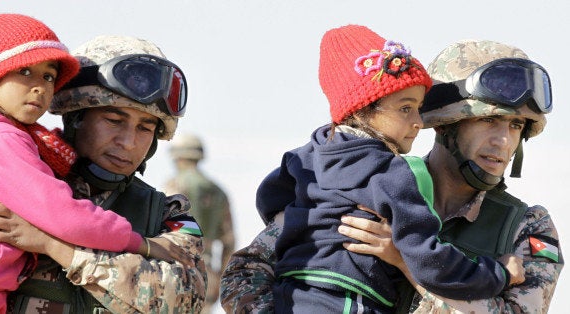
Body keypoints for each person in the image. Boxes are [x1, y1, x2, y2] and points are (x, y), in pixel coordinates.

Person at [220, 39, 563, 313]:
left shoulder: (526, 227)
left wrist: (406, 262)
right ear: (445, 122)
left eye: (516, 126)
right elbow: (244, 273)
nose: (504, 141)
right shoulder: (364, 181)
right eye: (489, 121)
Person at [0, 35, 207, 313]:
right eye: (113, 121)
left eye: (145, 128)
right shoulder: (11, 181)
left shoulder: (166, 215)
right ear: (75, 118)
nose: (128, 141)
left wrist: (53, 245)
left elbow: (185, 298)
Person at [164, 133, 235, 314]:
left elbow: (162, 229)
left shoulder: (174, 186)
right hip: (207, 274)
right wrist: (220, 279)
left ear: (177, 157)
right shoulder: (219, 192)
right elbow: (229, 242)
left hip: (176, 270)